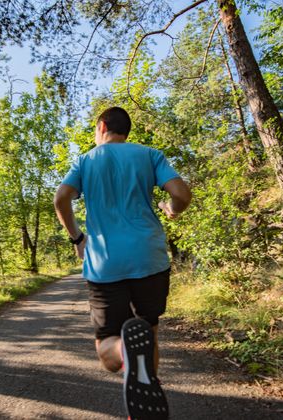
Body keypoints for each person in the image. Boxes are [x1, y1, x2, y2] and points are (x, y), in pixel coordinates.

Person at [54, 107, 191, 419]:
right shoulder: (150, 155)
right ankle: (145, 399)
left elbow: (61, 198)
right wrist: (173, 210)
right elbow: (182, 193)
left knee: (108, 351)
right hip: (150, 257)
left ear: (102, 126)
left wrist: (78, 238)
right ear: (125, 130)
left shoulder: (85, 160)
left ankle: (122, 351)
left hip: (105, 263)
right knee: (149, 330)